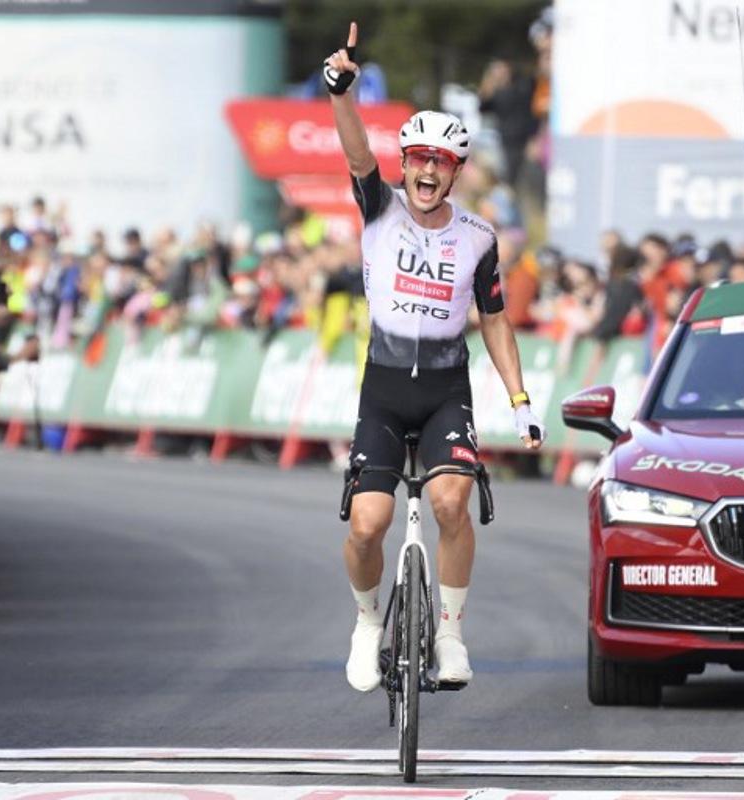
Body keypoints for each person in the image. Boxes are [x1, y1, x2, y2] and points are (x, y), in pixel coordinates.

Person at [324, 22, 544, 692]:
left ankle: (449, 632)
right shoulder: (380, 208)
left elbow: (496, 320)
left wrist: (521, 401)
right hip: (385, 389)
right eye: (418, 158)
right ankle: (368, 622)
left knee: (451, 504)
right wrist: (341, 93)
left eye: (441, 162)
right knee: (369, 524)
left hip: (447, 389)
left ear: (455, 172)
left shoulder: (479, 238)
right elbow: (356, 151)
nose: (427, 170)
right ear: (405, 164)